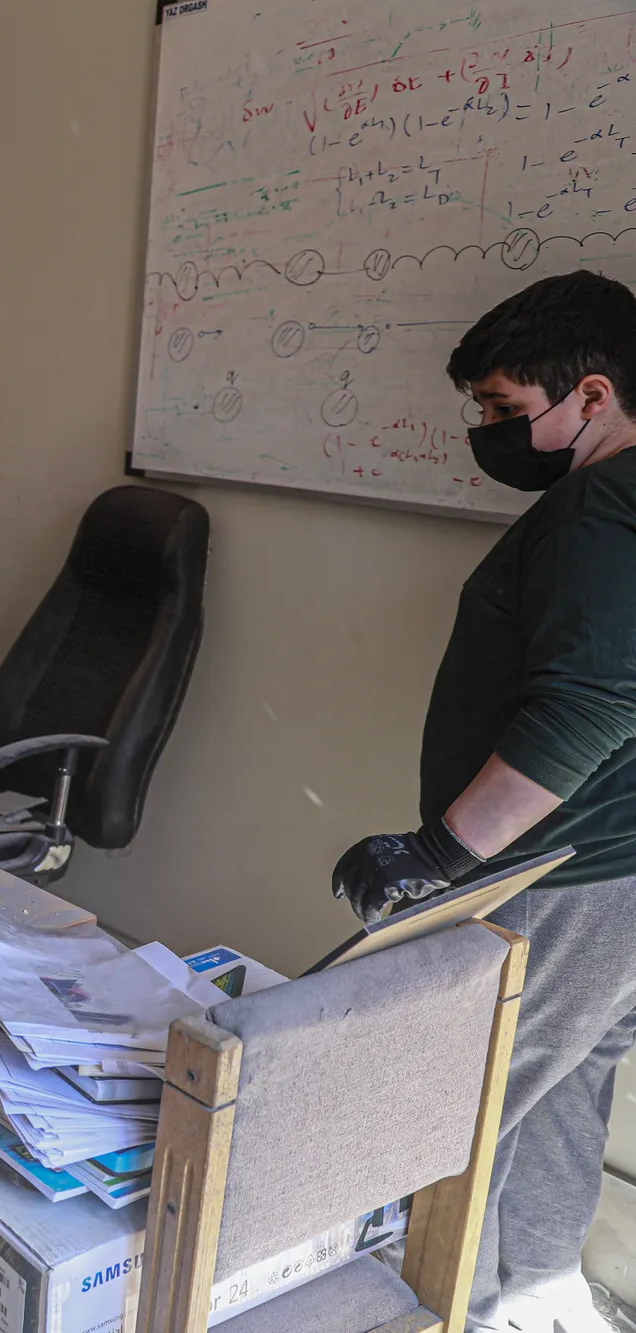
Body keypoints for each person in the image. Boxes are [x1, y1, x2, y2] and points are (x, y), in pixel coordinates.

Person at [331, 269, 636, 1333]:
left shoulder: (598, 506)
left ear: (591, 395)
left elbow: (592, 700)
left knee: (469, 1096)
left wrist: (441, 851)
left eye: (504, 408)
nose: (486, 431)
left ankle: (451, 1306)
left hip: (568, 870)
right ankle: (542, 1290)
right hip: (615, 873)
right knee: (565, 1076)